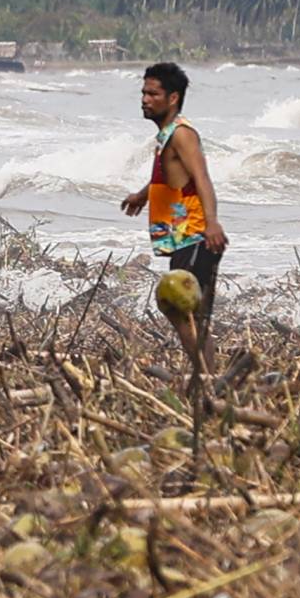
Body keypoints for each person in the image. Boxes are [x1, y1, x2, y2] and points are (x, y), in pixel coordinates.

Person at [121, 62, 227, 376]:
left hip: (196, 236)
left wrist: (212, 223)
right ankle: (206, 379)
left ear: (172, 98)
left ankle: (206, 379)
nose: (144, 99)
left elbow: (202, 178)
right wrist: (143, 195)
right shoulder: (166, 136)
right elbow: (171, 176)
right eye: (143, 92)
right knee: (191, 313)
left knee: (184, 310)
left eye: (152, 93)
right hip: (184, 238)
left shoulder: (182, 134)